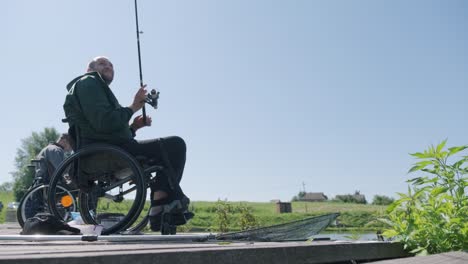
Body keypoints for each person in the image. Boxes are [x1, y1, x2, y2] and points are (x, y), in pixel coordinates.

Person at [63, 56, 190, 231]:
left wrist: (134, 127)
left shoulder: (96, 88)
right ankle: (160, 204)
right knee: (175, 146)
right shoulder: (88, 83)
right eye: (102, 63)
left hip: (110, 149)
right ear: (89, 70)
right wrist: (133, 107)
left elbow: (108, 133)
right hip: (101, 155)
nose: (108, 66)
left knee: (166, 150)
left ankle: (160, 204)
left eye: (111, 65)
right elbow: (105, 122)